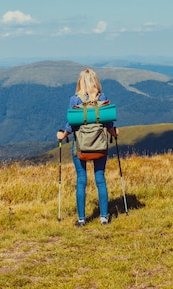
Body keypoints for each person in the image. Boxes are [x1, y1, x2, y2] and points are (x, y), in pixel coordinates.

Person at [56, 68, 119, 227]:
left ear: (80, 82)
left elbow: (70, 124)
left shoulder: (74, 100)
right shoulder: (102, 98)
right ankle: (104, 217)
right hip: (100, 145)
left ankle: (82, 219)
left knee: (81, 180)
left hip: (80, 146)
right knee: (100, 179)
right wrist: (114, 132)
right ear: (95, 81)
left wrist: (62, 135)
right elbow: (108, 123)